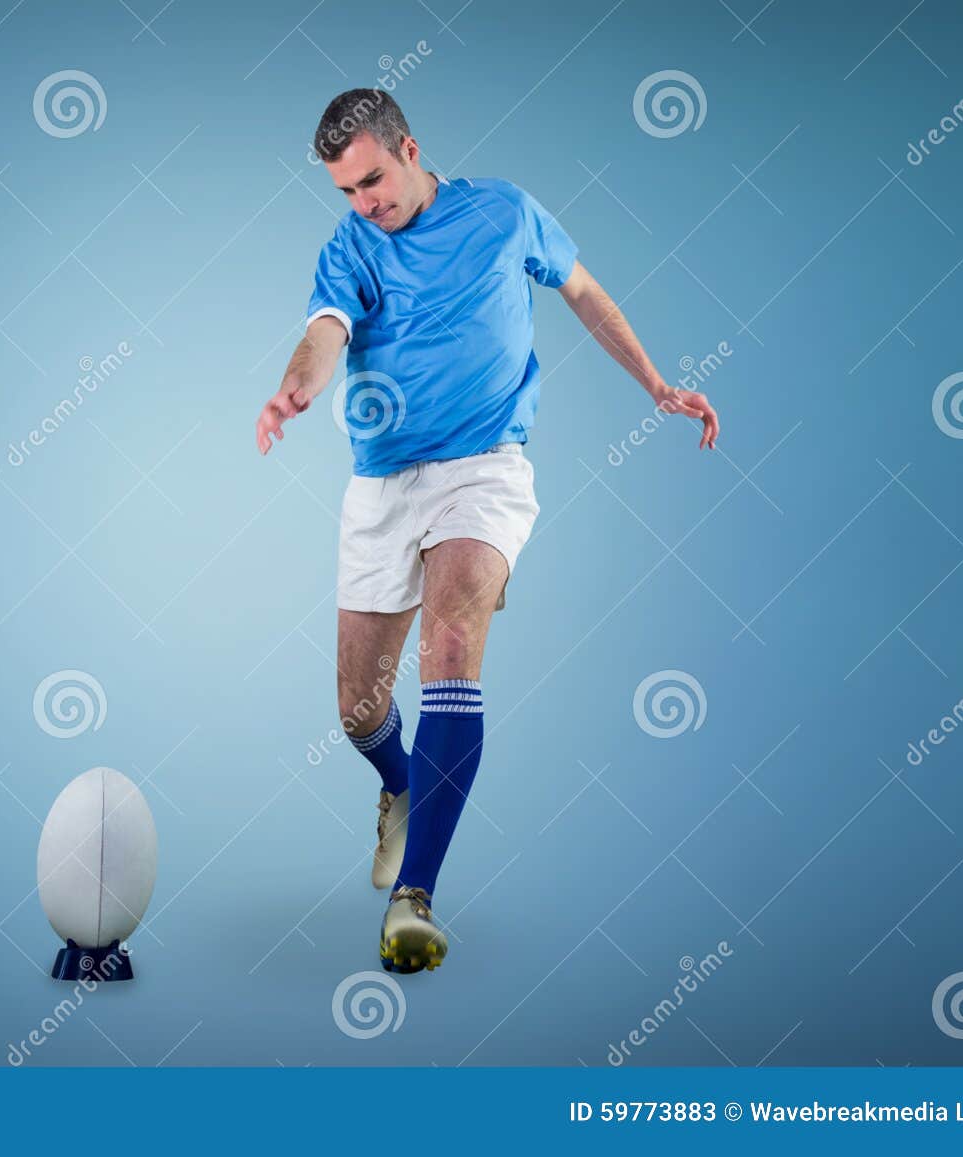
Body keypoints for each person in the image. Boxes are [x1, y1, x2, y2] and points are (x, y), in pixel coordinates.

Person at [255, 89, 720, 974]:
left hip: (484, 467)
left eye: (374, 180)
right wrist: (296, 387)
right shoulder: (351, 246)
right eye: (347, 190)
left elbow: (584, 293)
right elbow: (325, 331)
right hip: (384, 482)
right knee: (358, 708)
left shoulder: (504, 211)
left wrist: (655, 383)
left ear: (411, 148)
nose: (365, 203)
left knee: (455, 638)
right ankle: (399, 782)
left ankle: (414, 896)